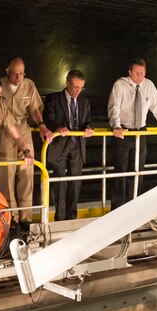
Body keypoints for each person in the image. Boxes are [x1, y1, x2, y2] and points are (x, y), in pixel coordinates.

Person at [0, 57, 53, 231]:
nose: (18, 77)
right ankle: (11, 218)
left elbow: (34, 109)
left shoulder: (29, 85)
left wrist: (41, 125)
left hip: (23, 130)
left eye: (21, 74)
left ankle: (26, 218)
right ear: (7, 71)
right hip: (5, 133)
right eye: (14, 74)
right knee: (7, 176)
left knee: (27, 175)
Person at [107, 58, 157, 210]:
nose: (139, 76)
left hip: (140, 131)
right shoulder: (120, 84)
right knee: (120, 171)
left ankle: (134, 206)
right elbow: (114, 107)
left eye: (142, 73)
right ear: (129, 72)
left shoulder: (149, 85)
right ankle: (117, 208)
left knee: (138, 170)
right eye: (136, 73)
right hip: (123, 130)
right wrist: (116, 126)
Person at [43, 69, 93, 221]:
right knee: (59, 184)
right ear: (67, 83)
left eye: (80, 88)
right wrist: (57, 128)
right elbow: (48, 117)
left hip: (77, 145)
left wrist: (89, 128)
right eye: (75, 87)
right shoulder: (53, 98)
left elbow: (88, 120)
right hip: (60, 145)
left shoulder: (85, 101)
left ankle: (72, 218)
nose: (77, 91)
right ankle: (60, 218)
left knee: (75, 183)